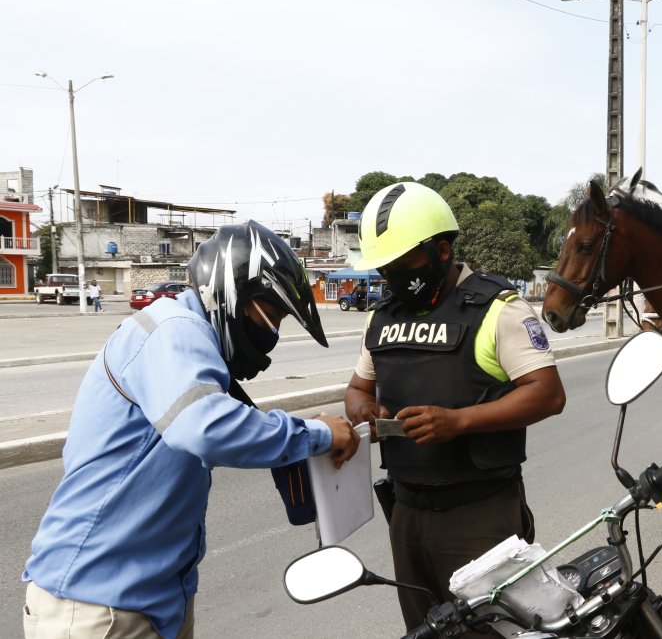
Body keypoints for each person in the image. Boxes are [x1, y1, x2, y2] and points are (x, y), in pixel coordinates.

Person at [22, 221, 360, 639]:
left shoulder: (191, 341)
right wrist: (317, 434)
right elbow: (205, 429)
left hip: (151, 600)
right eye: (270, 316)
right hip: (98, 606)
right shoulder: (173, 328)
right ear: (230, 291)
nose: (272, 334)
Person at [344, 182, 566, 634]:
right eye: (384, 266)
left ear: (442, 250)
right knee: (424, 630)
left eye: (402, 263)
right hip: (406, 513)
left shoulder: (497, 308)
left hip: (479, 512)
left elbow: (547, 393)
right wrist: (362, 409)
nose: (390, 276)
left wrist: (459, 421)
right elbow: (357, 389)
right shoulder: (382, 316)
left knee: (493, 630)